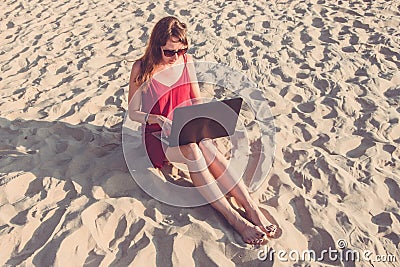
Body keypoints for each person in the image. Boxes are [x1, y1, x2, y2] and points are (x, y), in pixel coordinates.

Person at [128, 16, 277, 245]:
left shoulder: (186, 61)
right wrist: (157, 118)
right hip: (158, 136)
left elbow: (196, 99)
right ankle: (234, 218)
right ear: (156, 45)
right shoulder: (141, 67)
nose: (176, 56)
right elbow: (133, 112)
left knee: (205, 145)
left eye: (181, 50)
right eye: (169, 52)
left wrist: (206, 125)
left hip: (186, 126)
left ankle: (251, 208)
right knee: (192, 150)